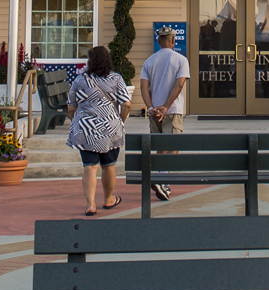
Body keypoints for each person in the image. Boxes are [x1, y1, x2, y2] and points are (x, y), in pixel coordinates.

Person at [67, 45, 131, 217]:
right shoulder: (116, 79)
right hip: (110, 128)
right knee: (108, 166)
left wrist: (77, 122)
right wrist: (120, 121)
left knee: (90, 167)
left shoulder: (80, 80)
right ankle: (109, 199)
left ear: (90, 61)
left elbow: (71, 106)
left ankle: (90, 204)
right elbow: (126, 104)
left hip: (86, 128)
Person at [136, 26, 190, 202]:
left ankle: (161, 179)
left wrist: (151, 108)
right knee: (173, 144)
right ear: (173, 40)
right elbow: (179, 84)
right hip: (172, 111)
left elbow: (144, 87)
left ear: (158, 41)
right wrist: (166, 106)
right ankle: (162, 177)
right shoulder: (181, 60)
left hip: (154, 113)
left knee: (160, 147)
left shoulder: (149, 62)